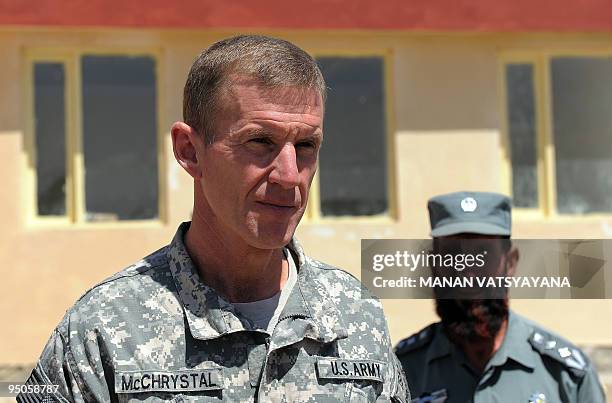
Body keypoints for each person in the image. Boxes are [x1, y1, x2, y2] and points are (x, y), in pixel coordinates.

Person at [19, 35, 408, 403]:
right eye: (260, 142)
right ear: (190, 151)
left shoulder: (355, 312)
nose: (290, 175)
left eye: (305, 146)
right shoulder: (105, 326)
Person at [394, 191, 605, 403]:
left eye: (483, 255)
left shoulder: (565, 376)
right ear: (434, 265)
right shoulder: (401, 373)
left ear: (510, 263)